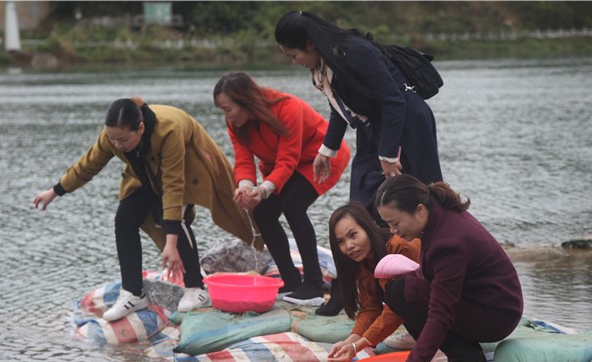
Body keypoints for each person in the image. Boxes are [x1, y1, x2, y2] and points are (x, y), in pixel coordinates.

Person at [33, 97, 260, 321]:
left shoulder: (169, 131)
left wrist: (170, 244)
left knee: (175, 217)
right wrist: (56, 191)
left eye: (122, 140)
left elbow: (173, 186)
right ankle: (133, 292)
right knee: (125, 219)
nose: (117, 145)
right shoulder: (113, 137)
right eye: (112, 139)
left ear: (140, 128)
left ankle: (196, 287)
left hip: (187, 164)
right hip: (145, 172)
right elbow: (88, 164)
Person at [274, 11, 443, 218]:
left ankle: (436, 244)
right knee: (363, 200)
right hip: (372, 128)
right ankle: (382, 247)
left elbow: (393, 100)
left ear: (309, 44)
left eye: (293, 55)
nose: (294, 61)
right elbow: (339, 108)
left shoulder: (354, 52)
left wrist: (388, 155)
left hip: (405, 124)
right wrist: (326, 151)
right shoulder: (324, 66)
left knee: (419, 196)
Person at [375, 175, 523, 362]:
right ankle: (465, 352)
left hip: (495, 314)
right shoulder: (438, 211)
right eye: (388, 225)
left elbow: (440, 313)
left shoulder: (448, 242)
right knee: (399, 289)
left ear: (419, 210)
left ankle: (461, 356)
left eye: (395, 223)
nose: (394, 231)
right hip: (486, 299)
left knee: (400, 292)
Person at [213, 71, 350, 305]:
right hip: (285, 167)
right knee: (262, 212)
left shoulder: (286, 107)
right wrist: (245, 188)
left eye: (228, 109)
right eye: (223, 111)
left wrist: (263, 189)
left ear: (244, 100)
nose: (227, 116)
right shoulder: (235, 124)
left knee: (293, 206)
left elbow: (289, 157)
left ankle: (314, 286)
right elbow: (244, 160)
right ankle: (291, 281)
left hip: (321, 158)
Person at [325, 201, 421, 362]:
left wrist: (357, 346)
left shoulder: (400, 246)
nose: (349, 246)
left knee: (398, 291)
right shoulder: (364, 262)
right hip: (423, 313)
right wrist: (349, 341)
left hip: (447, 311)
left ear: (368, 228)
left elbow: (396, 308)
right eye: (340, 241)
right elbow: (370, 307)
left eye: (353, 235)